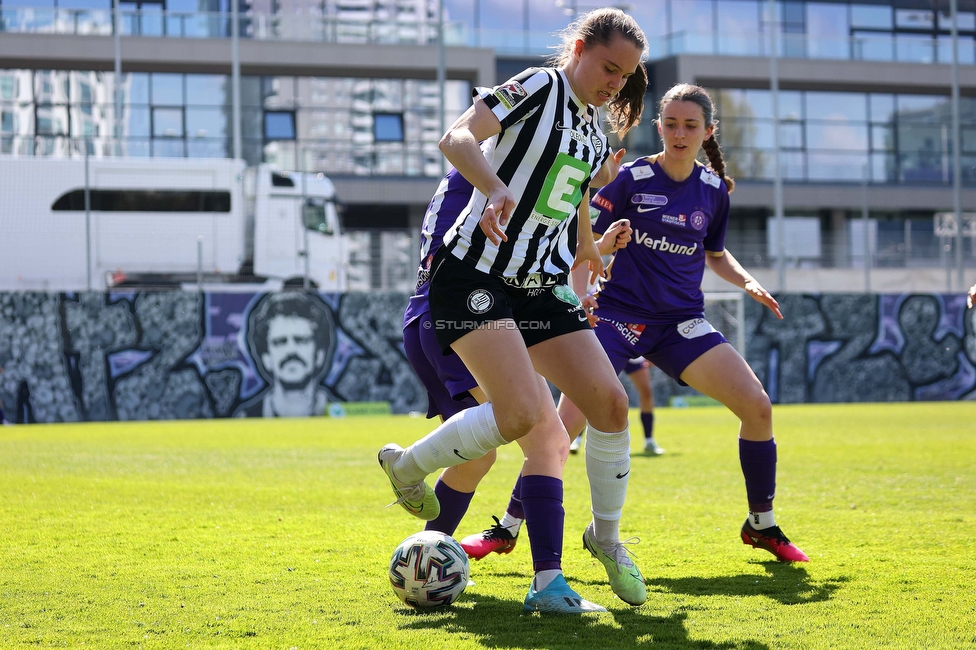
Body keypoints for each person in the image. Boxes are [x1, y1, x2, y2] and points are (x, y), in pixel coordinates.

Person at [378, 7, 649, 614]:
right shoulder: (537, 84)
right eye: (609, 67)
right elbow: (456, 137)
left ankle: (605, 541)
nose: (614, 84)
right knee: (527, 417)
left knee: (608, 404)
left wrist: (589, 251)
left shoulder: (593, 132)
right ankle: (541, 579)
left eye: (624, 77)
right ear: (578, 47)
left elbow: (569, 200)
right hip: (473, 272)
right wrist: (493, 187)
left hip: (537, 284)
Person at [576, 82, 807, 562]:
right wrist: (583, 292)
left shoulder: (714, 191)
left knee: (758, 407)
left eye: (691, 125)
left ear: (708, 132)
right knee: (566, 424)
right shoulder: (631, 179)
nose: (680, 134)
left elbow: (716, 256)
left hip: (680, 322)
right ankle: (510, 527)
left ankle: (761, 524)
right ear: (658, 127)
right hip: (617, 316)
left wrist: (748, 283)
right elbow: (585, 242)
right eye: (672, 124)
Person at [234, 291, 335, 418]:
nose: (291, 350)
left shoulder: (341, 418)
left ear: (319, 354)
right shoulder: (245, 419)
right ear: (266, 358)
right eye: (280, 342)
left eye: (301, 340)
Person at [569, 358, 663, 455]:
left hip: (634, 355)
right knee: (594, 392)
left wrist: (650, 355)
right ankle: (578, 439)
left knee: (646, 392)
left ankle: (649, 441)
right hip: (614, 351)